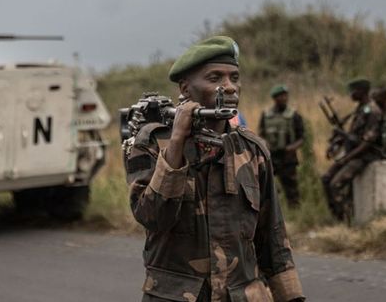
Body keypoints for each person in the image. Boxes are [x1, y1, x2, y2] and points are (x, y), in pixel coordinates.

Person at [124, 36, 305, 301]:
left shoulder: (252, 149)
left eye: (234, 77)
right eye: (215, 78)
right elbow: (152, 217)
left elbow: (273, 238)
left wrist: (292, 297)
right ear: (185, 88)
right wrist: (176, 143)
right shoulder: (151, 143)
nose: (229, 87)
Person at [321, 78, 382, 222]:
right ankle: (337, 218)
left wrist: (346, 159)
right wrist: (336, 144)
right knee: (325, 179)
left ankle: (346, 220)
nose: (351, 95)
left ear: (362, 92)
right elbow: (351, 135)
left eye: (353, 91)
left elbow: (366, 143)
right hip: (352, 154)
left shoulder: (372, 111)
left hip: (364, 156)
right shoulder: (360, 109)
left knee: (336, 184)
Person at [258, 85, 305, 207]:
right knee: (267, 185)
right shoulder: (266, 114)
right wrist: (265, 143)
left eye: (286, 95)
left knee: (291, 188)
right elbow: (261, 133)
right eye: (281, 96)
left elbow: (302, 137)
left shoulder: (294, 115)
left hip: (288, 157)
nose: (284, 98)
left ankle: (295, 212)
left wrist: (292, 147)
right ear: (275, 98)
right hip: (271, 156)